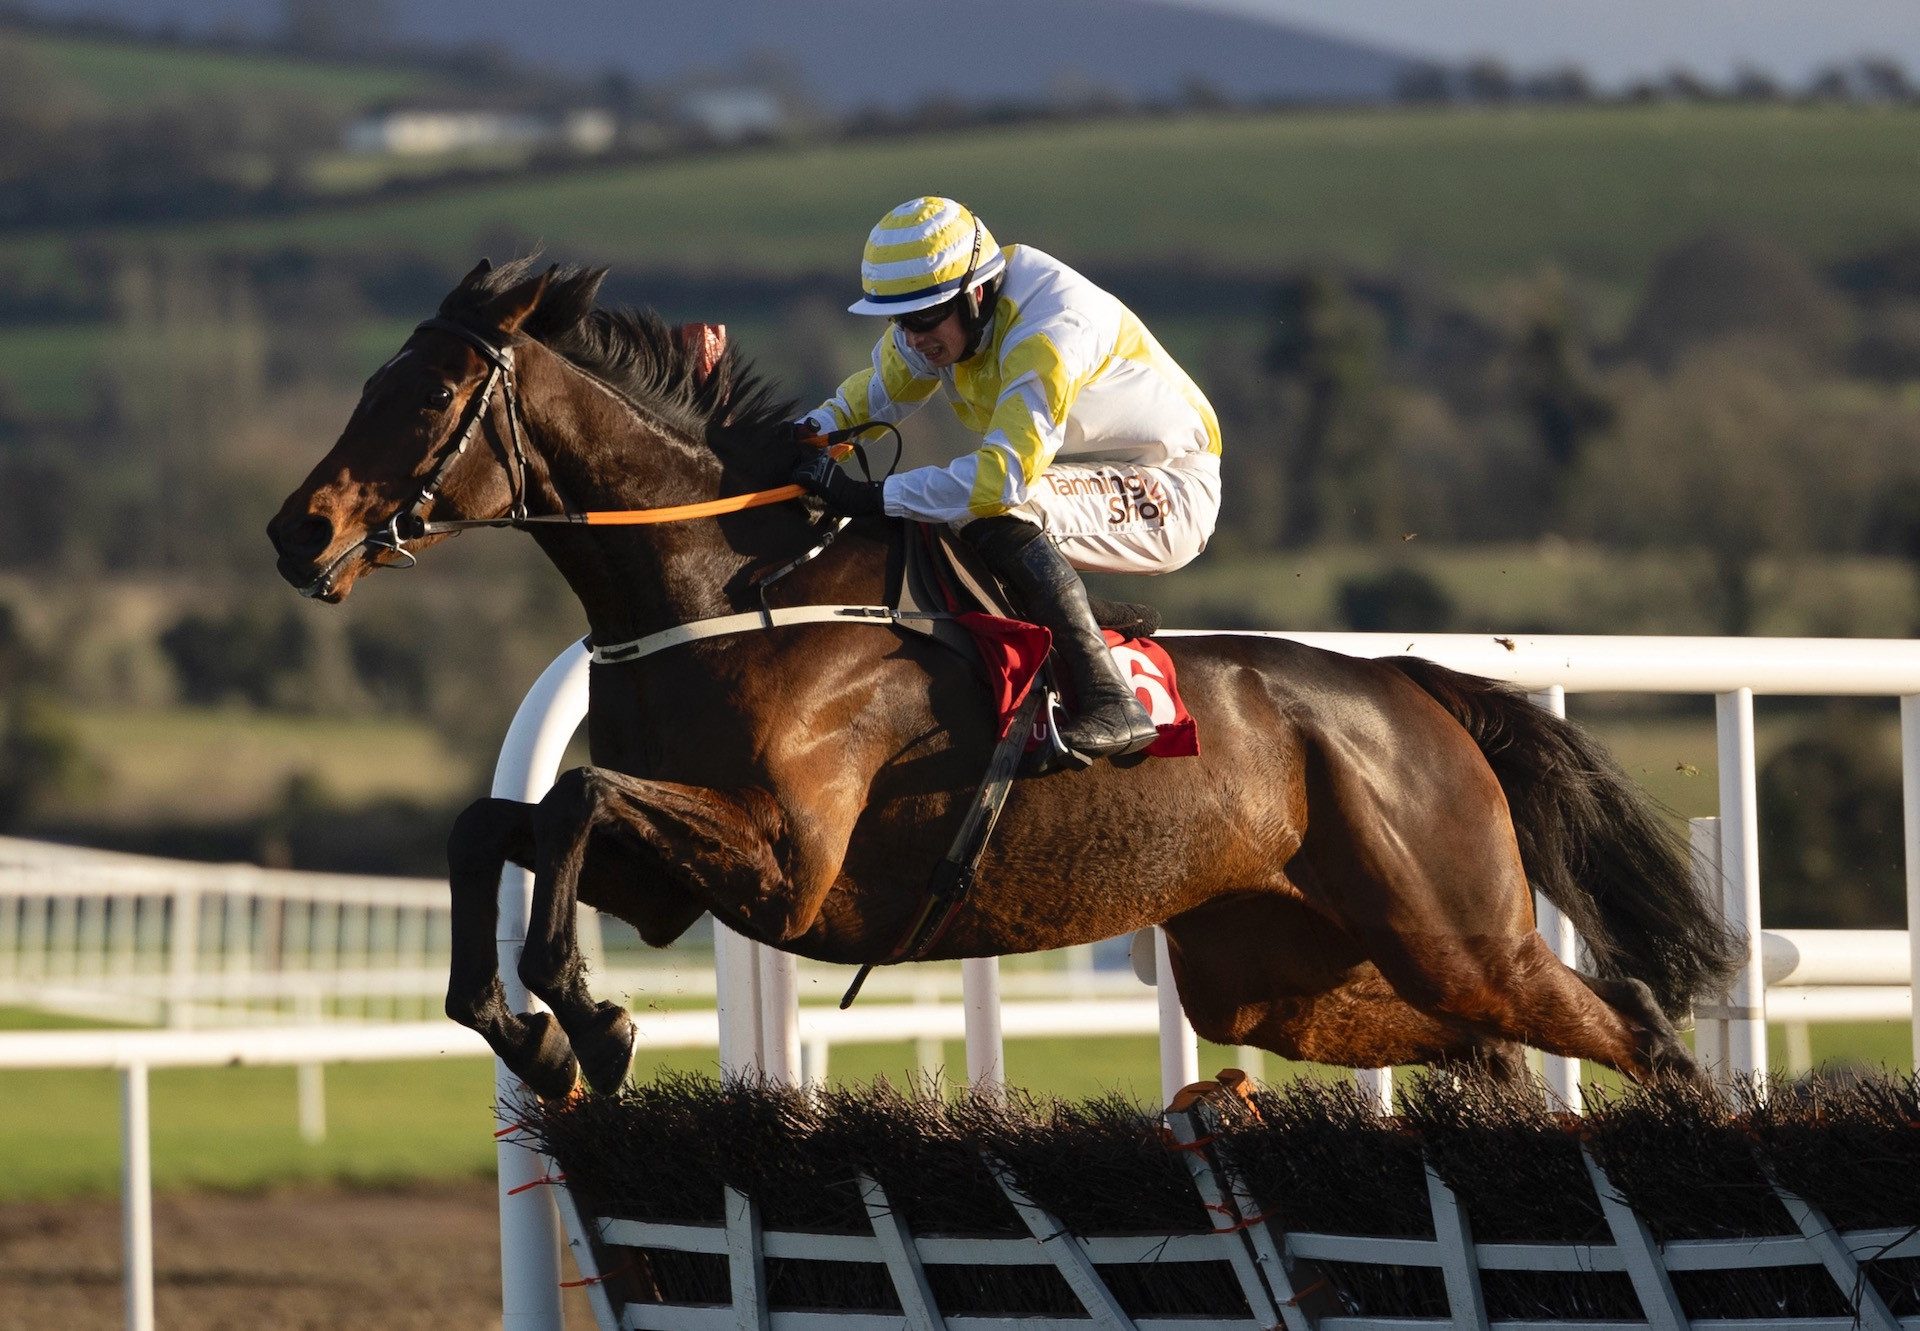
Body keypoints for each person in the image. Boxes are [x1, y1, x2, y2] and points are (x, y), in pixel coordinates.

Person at [791, 196, 1223, 764]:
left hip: (1171, 488)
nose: (912, 337)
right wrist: (805, 434)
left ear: (974, 295)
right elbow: (882, 390)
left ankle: (1111, 699)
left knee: (990, 508)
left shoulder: (1048, 331)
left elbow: (1002, 480)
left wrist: (867, 497)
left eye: (921, 319)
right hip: (1095, 474)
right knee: (950, 508)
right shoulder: (952, 311)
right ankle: (1089, 622)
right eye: (899, 319)